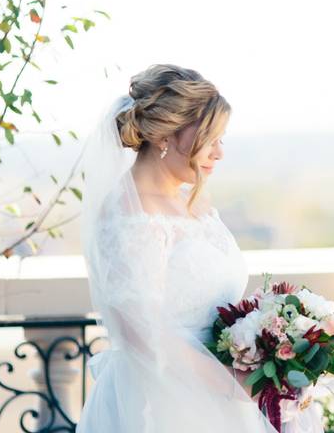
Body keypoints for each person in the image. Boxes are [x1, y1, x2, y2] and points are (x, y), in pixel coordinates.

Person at [78, 64, 276, 432]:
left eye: (222, 138)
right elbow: (143, 335)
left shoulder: (193, 202)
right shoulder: (128, 215)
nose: (219, 153)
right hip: (163, 406)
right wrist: (233, 385)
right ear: (166, 135)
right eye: (210, 138)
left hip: (220, 398)